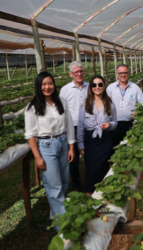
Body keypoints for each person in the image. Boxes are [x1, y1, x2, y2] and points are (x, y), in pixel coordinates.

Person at [25, 71, 75, 222]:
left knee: (65, 181)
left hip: (63, 143)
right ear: (38, 86)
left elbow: (69, 124)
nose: (47, 87)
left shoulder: (62, 102)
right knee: (54, 185)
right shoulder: (32, 107)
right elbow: (30, 134)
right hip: (46, 146)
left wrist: (71, 147)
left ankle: (56, 215)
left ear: (54, 85)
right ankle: (63, 225)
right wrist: (37, 157)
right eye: (43, 84)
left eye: (50, 83)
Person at [77, 75, 117, 195]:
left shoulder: (110, 104)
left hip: (105, 140)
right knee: (91, 168)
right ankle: (89, 194)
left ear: (104, 86)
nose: (97, 87)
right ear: (91, 87)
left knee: (104, 167)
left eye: (100, 84)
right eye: (94, 85)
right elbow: (80, 126)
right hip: (90, 140)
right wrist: (80, 144)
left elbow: (115, 122)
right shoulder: (85, 105)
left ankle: (103, 194)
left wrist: (109, 125)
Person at [60, 61, 89, 191]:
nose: (79, 74)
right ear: (70, 74)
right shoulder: (65, 90)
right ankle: (76, 184)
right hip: (73, 128)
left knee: (90, 155)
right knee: (73, 158)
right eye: (76, 72)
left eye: (81, 71)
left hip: (89, 126)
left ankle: (91, 181)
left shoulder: (91, 86)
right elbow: (61, 110)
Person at [106, 64, 143, 147]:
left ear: (129, 73)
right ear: (117, 74)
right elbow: (105, 104)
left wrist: (138, 111)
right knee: (114, 146)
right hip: (115, 124)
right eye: (121, 73)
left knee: (130, 146)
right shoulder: (111, 88)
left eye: (125, 72)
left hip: (130, 123)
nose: (123, 75)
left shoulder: (135, 88)